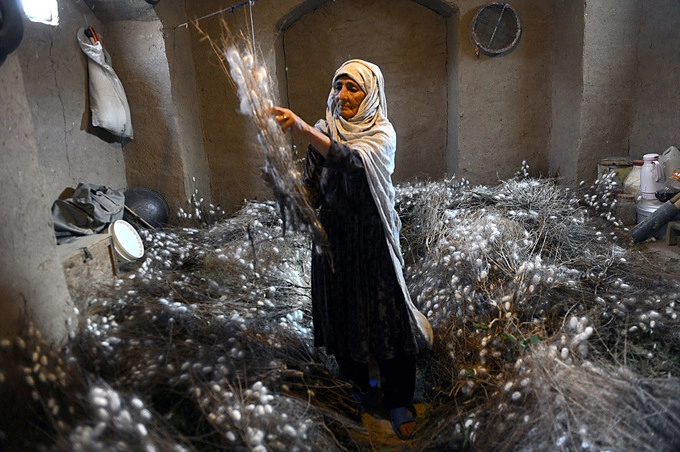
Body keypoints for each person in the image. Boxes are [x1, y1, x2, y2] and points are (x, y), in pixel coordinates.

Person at [269, 59, 432, 441]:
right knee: (343, 318)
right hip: (335, 241)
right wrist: (289, 192)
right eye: (338, 86)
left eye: (352, 88)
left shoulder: (381, 133)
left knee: (387, 318)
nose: (342, 95)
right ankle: (358, 390)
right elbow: (312, 180)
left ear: (370, 93)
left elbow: (352, 161)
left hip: (371, 239)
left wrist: (304, 129)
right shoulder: (325, 129)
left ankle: (397, 400)